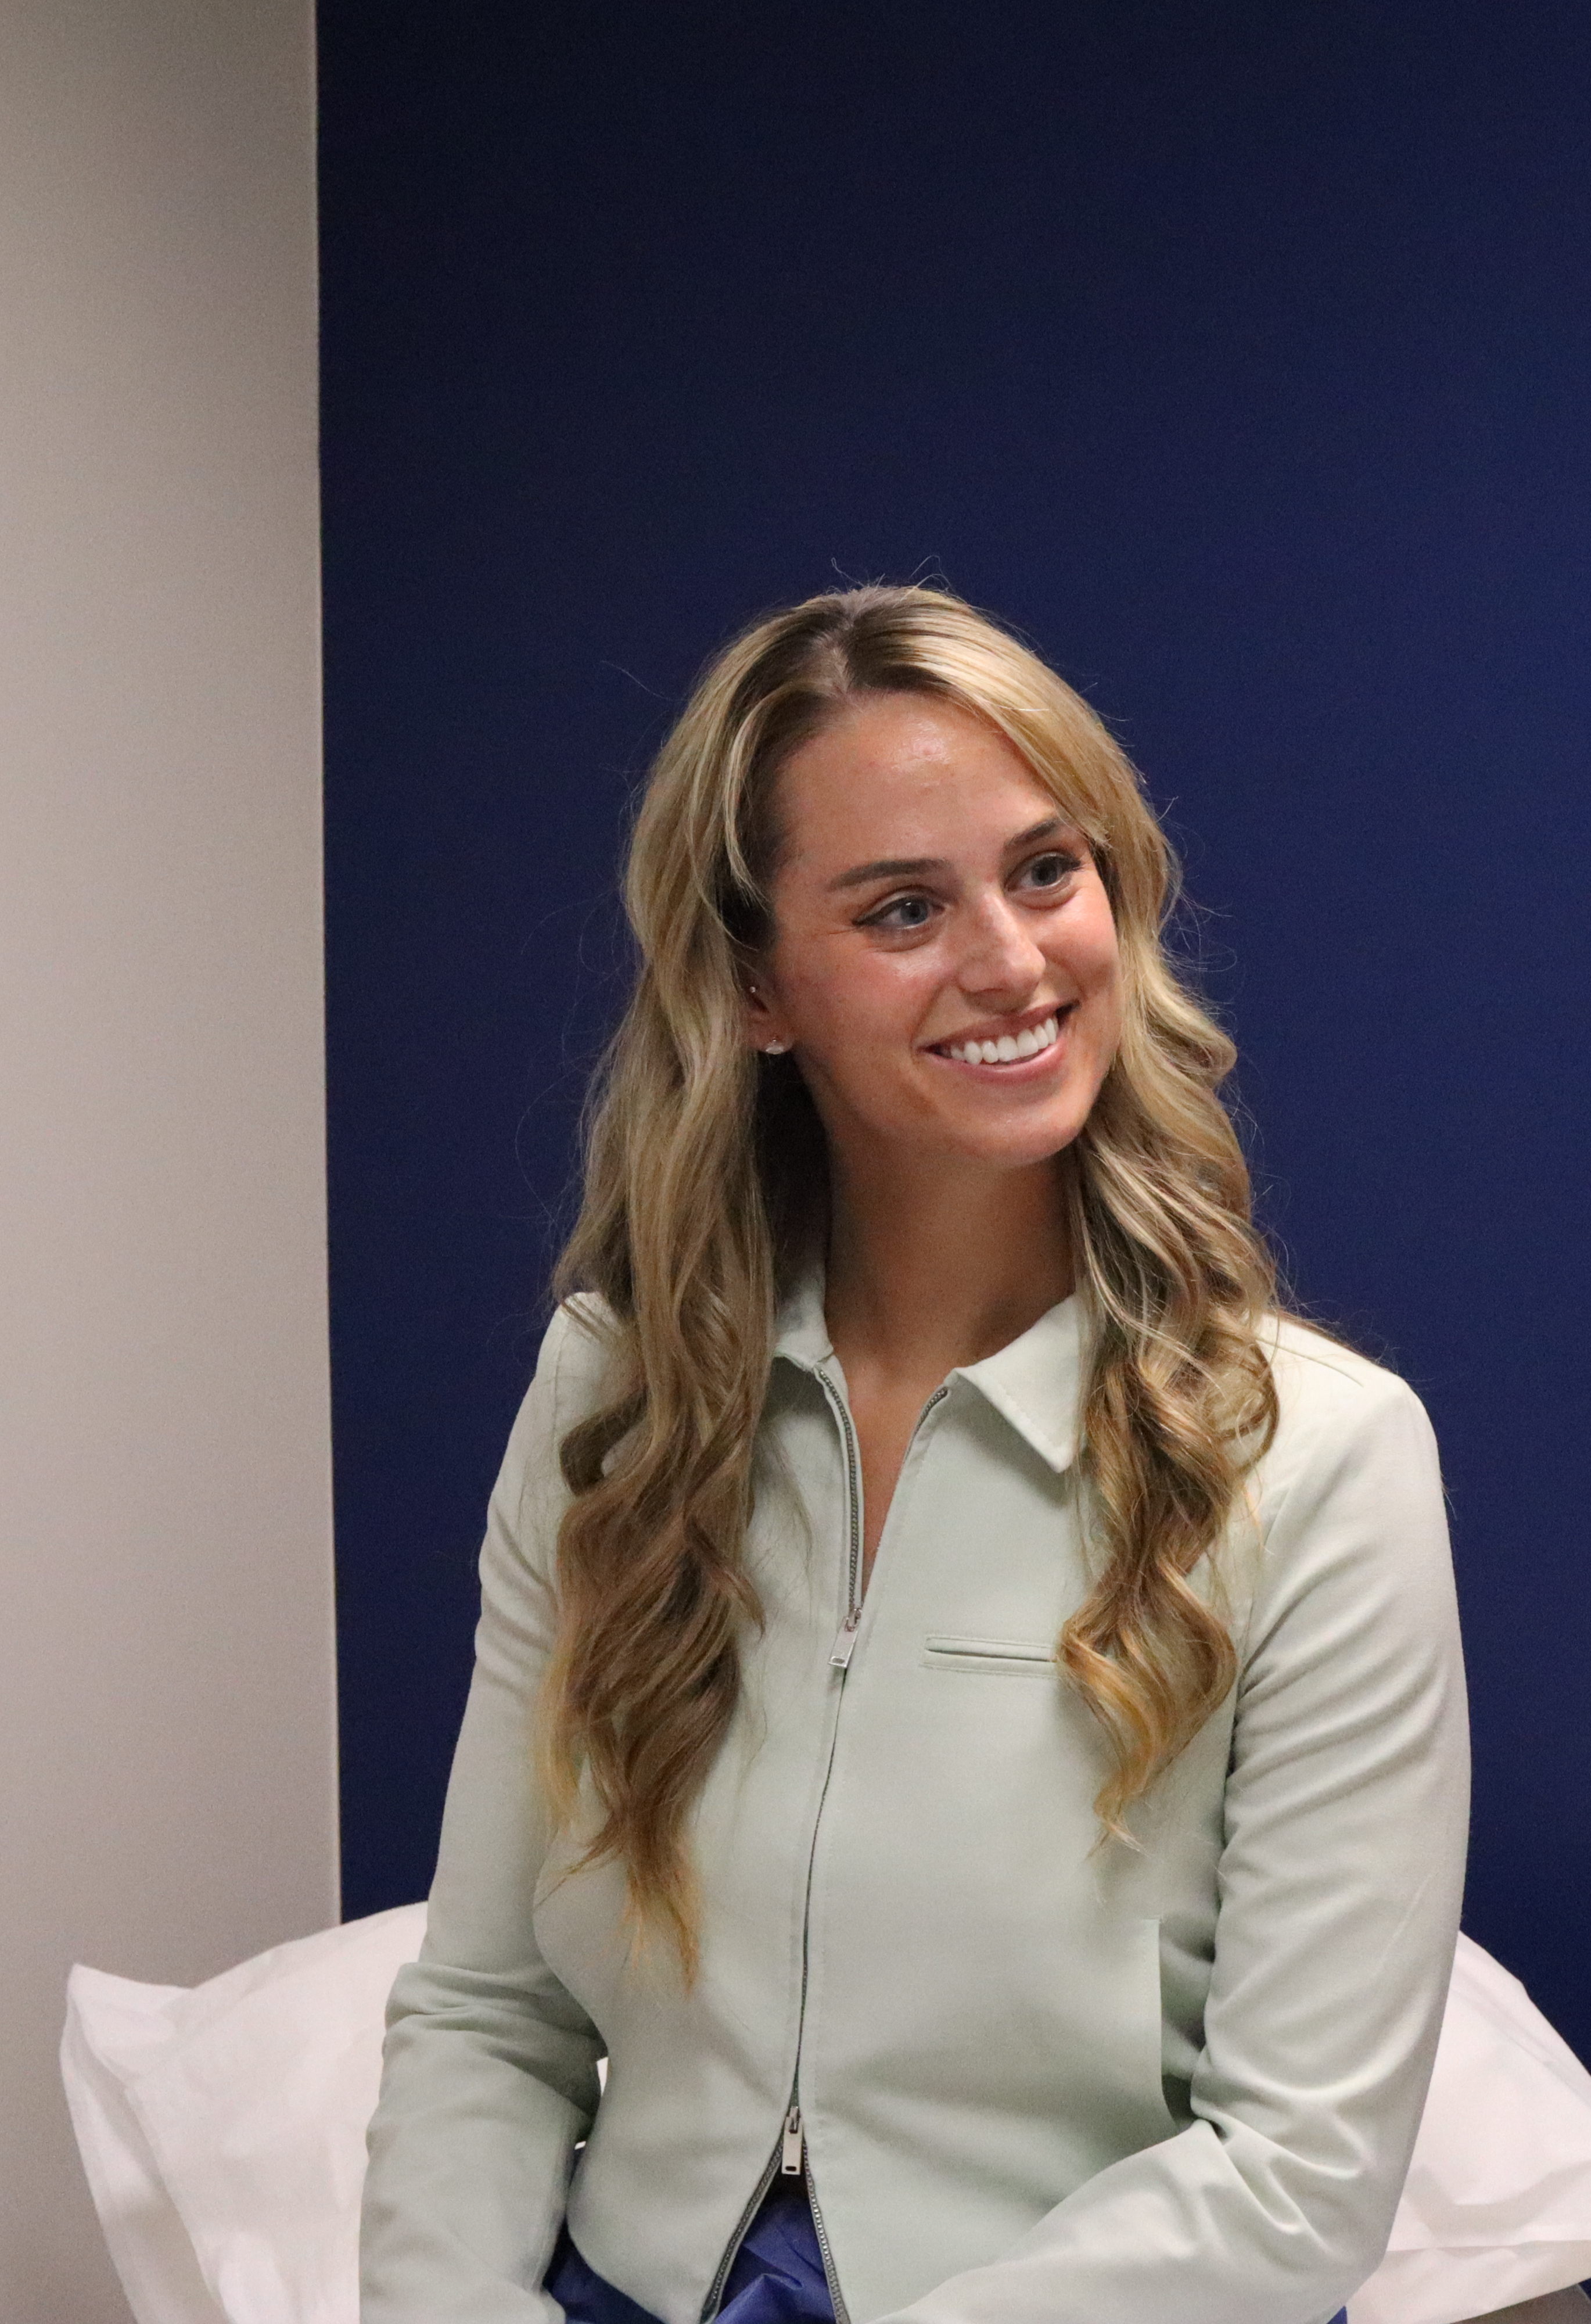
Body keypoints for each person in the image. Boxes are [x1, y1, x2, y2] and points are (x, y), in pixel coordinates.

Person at [360, 586, 1471, 2324]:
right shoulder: (614, 1402)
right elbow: (494, 2012)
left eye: (1048, 870)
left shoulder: (1316, 1460)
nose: (1015, 963)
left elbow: (1298, 2176)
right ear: (754, 988)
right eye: (902, 909)